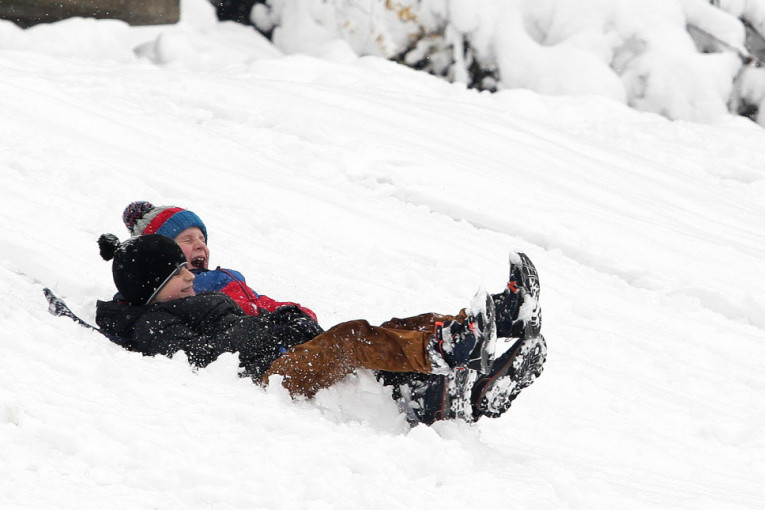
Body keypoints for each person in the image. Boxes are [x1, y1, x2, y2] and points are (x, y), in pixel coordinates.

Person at [95, 234, 546, 424]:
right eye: (176, 274)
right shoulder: (152, 325)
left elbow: (237, 330)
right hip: (267, 377)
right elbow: (203, 358)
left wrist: (282, 320)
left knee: (392, 329)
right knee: (351, 339)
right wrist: (265, 330)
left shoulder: (188, 302)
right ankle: (446, 350)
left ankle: (502, 320)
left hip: (280, 354)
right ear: (152, 289)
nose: (189, 275)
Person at [119, 201, 316, 320]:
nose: (200, 245)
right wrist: (268, 317)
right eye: (187, 240)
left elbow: (259, 301)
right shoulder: (180, 287)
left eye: (202, 239)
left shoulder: (225, 275)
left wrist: (292, 311)